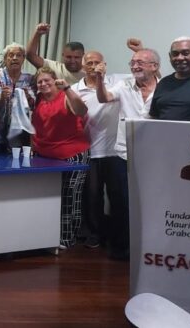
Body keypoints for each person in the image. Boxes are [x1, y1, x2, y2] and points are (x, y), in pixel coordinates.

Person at [31, 66, 90, 249]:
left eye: (47, 80)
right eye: (40, 82)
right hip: (45, 155)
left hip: (72, 154)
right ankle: (47, 235)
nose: (43, 84)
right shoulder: (39, 98)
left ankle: (66, 238)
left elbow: (81, 110)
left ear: (55, 79)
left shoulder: (66, 96)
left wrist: (67, 89)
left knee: (69, 196)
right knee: (49, 196)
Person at [74, 51, 126, 257]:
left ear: (104, 64)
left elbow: (148, 72)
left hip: (116, 150)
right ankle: (94, 234)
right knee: (93, 195)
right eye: (89, 63)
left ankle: (117, 235)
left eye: (97, 63)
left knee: (117, 195)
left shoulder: (117, 82)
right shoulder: (76, 89)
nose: (94, 66)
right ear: (83, 66)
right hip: (91, 148)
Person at [0, 43, 35, 152]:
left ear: (23, 58)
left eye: (19, 55)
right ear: (5, 58)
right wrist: (2, 97)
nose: (14, 58)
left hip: (22, 133)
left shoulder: (29, 78)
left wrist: (28, 97)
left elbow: (33, 106)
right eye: (11, 55)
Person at [149, 36, 190, 121]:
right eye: (175, 54)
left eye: (185, 53)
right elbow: (154, 117)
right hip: (164, 134)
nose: (180, 58)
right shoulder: (163, 83)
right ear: (170, 57)